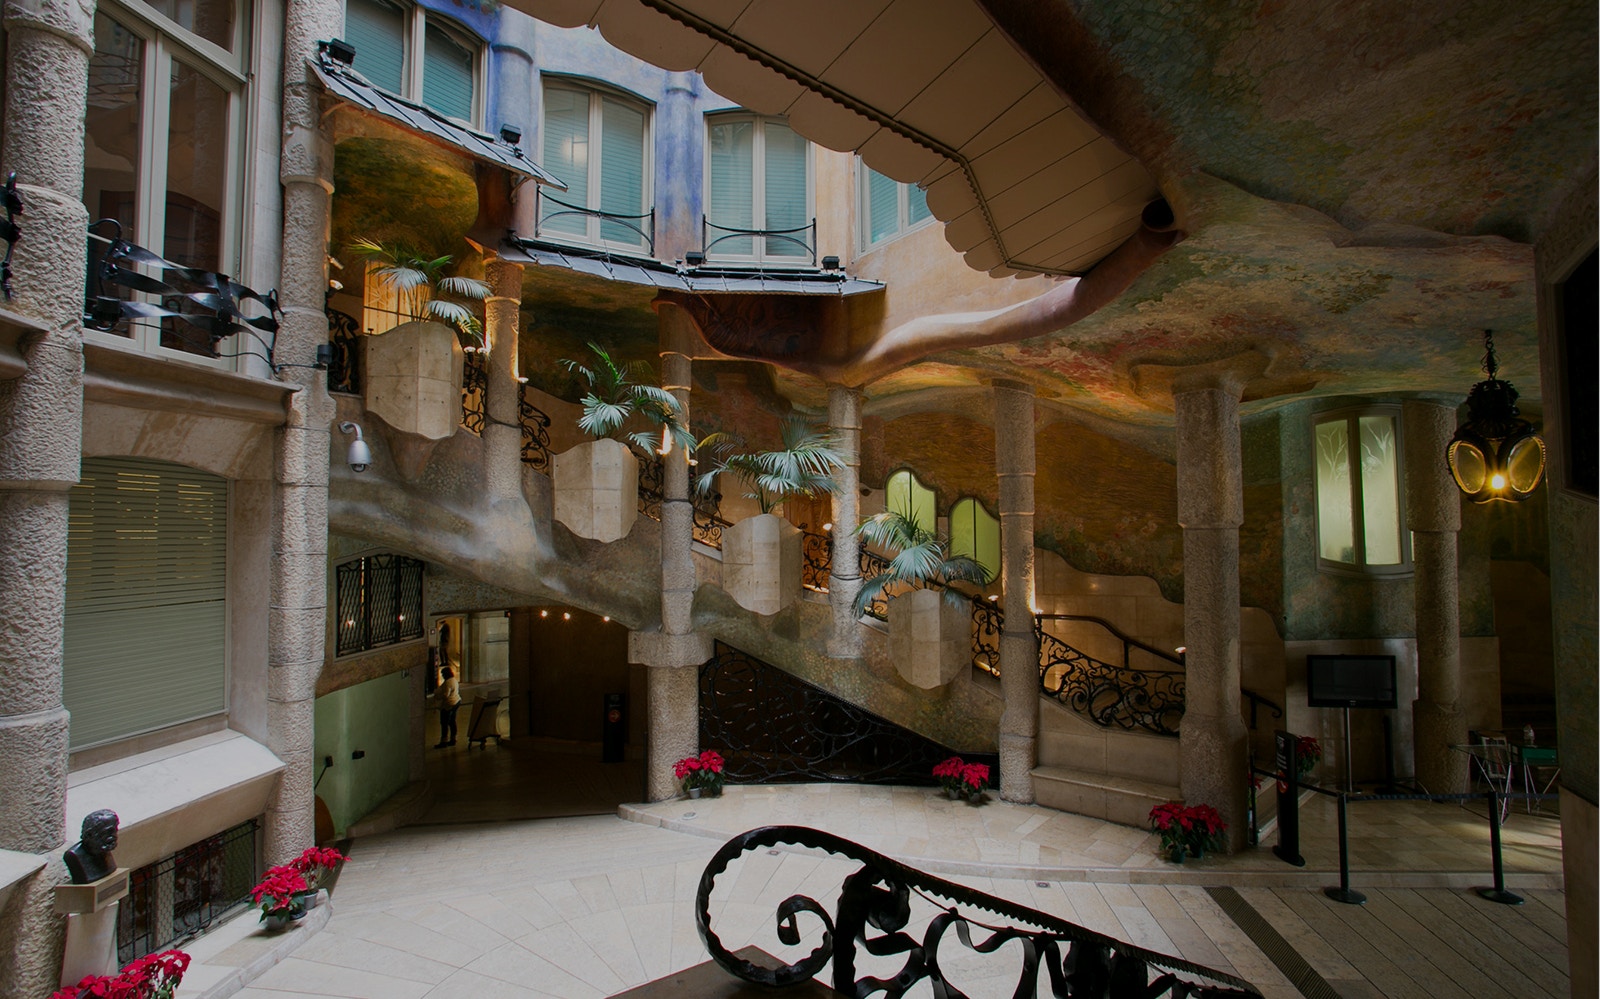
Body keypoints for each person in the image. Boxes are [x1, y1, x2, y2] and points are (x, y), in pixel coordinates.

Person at [63, 809, 119, 883]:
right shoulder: (73, 855)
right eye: (108, 832)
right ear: (90, 834)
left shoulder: (104, 847)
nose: (115, 835)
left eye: (115, 830)